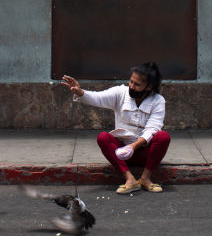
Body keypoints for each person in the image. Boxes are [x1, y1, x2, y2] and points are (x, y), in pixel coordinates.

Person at [62, 62, 170, 194]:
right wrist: (81, 92)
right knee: (103, 137)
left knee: (163, 136)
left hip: (144, 152)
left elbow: (152, 129)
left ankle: (145, 179)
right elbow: (98, 98)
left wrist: (133, 147)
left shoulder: (158, 101)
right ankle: (130, 179)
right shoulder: (120, 92)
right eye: (131, 81)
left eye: (137, 84)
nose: (132, 86)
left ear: (148, 87)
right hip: (121, 154)